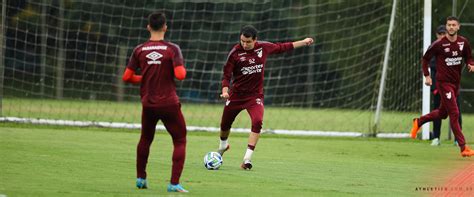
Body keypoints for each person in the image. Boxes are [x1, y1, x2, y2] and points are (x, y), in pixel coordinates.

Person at [217, 25, 314, 169]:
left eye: (248, 42)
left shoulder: (264, 47)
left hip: (255, 96)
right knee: (225, 125)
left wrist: (304, 41)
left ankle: (247, 159)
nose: (244, 44)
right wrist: (225, 91)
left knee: (257, 121)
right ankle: (223, 146)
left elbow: (283, 47)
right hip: (236, 95)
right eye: (242, 41)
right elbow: (226, 75)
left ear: (255, 40)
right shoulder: (235, 53)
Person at [122, 12, 189, 192]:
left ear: (148, 27)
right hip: (169, 103)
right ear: (165, 27)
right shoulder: (172, 49)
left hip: (148, 103)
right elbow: (180, 75)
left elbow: (126, 77)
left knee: (145, 139)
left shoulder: (139, 49)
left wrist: (144, 78)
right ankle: (174, 183)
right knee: (180, 140)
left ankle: (140, 179)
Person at [410, 16, 474, 157]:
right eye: (449, 25)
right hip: (443, 83)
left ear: (458, 27)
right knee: (455, 113)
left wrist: (471, 63)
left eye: (453, 25)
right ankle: (463, 147)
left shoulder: (463, 42)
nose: (451, 27)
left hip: (455, 84)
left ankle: (418, 121)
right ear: (446, 27)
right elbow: (425, 58)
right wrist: (427, 75)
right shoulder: (439, 44)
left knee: (442, 113)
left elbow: (468, 56)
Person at [429, 25, 462, 146]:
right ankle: (436, 137)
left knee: (456, 111)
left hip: (452, 85)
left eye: (444, 33)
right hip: (438, 86)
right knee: (437, 111)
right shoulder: (433, 48)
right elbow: (431, 64)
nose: (442, 36)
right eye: (440, 34)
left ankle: (457, 139)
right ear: (437, 35)